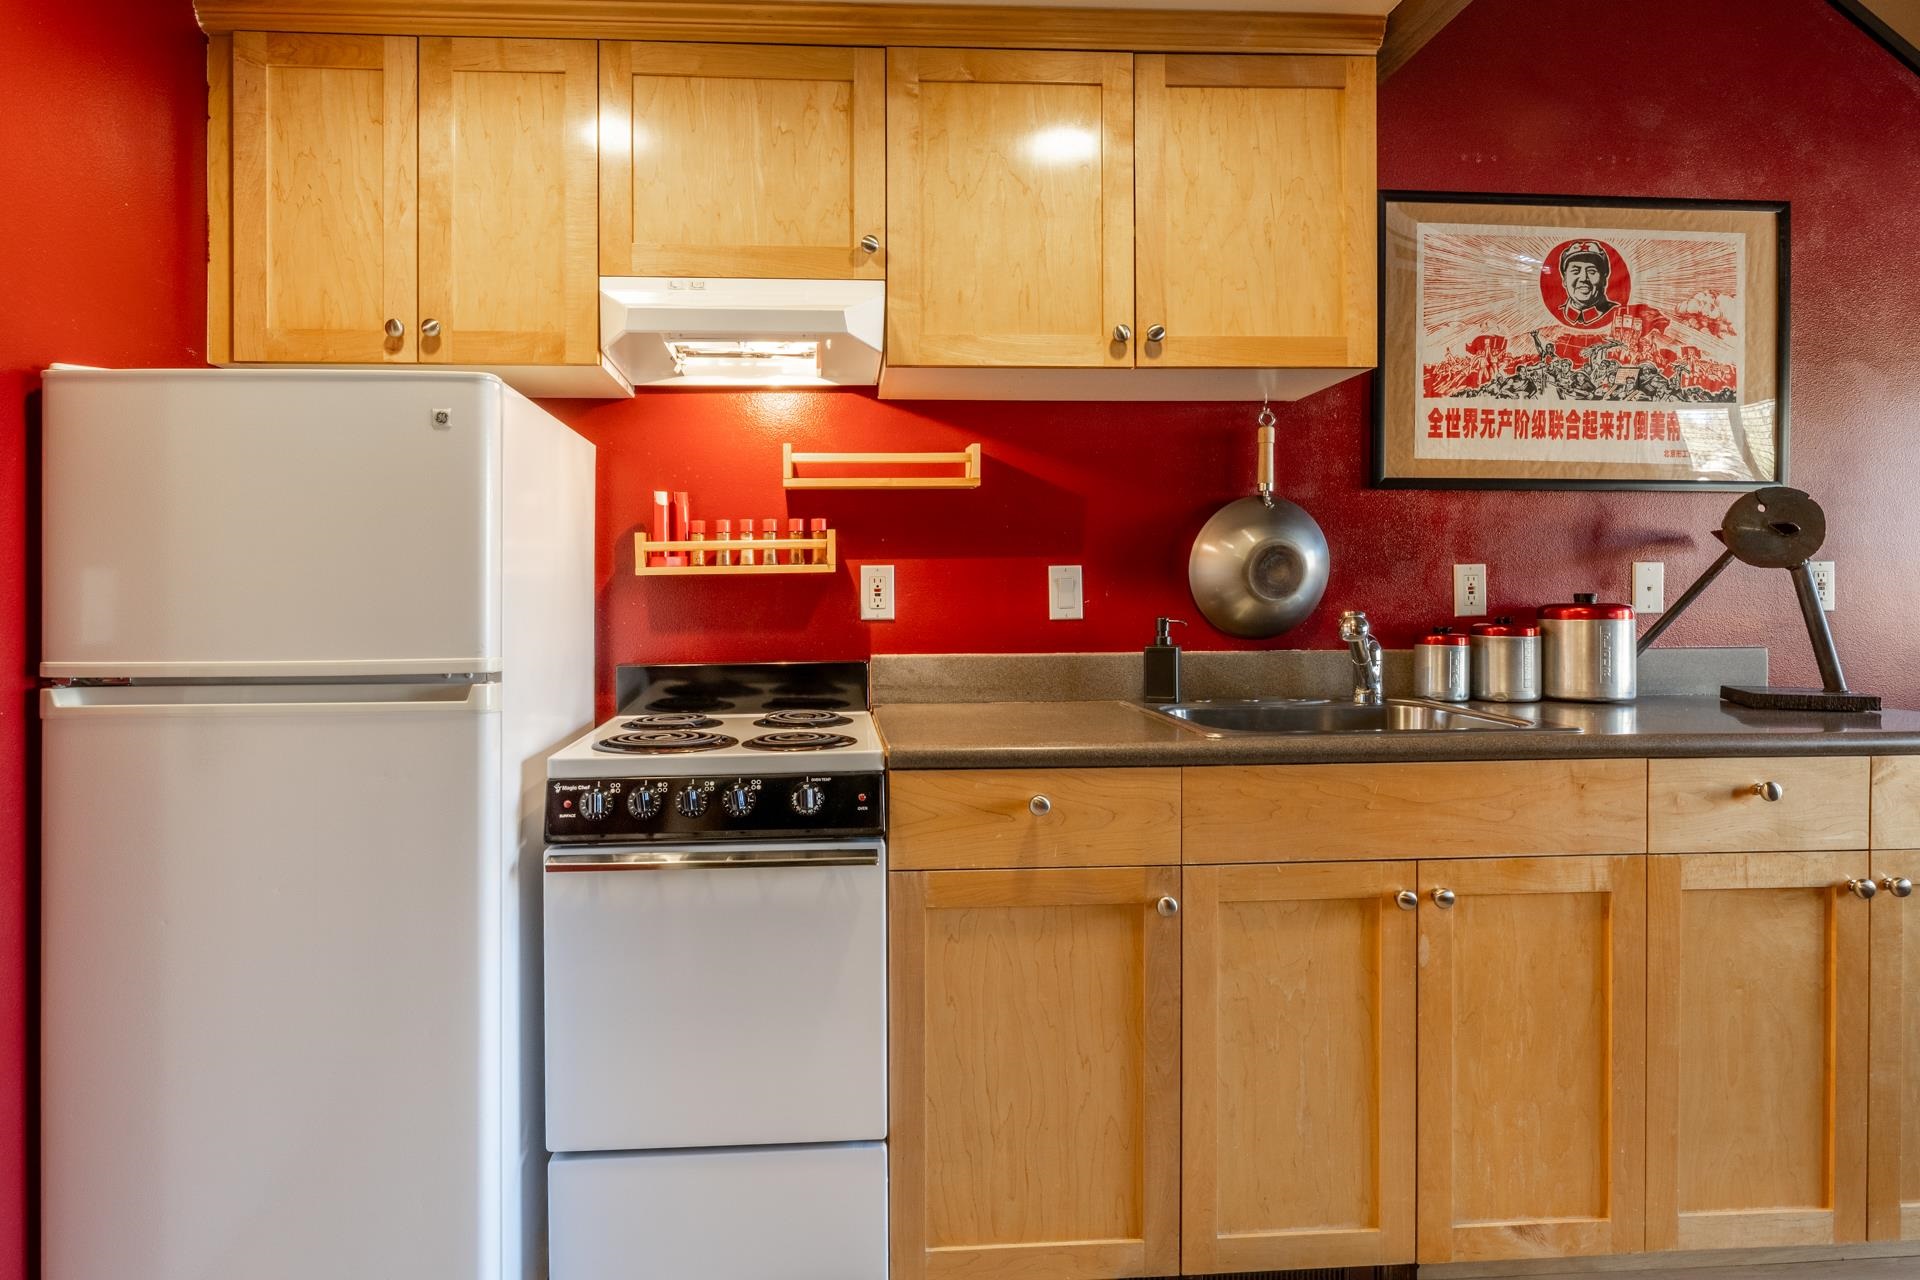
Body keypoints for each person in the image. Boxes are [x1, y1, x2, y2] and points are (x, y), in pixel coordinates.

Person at [1556, 241, 1619, 326]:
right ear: (1564, 279)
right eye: (1575, 271)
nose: (1583, 278)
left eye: (1591, 271)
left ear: (1604, 279)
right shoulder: (1556, 315)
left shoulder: (1618, 313)